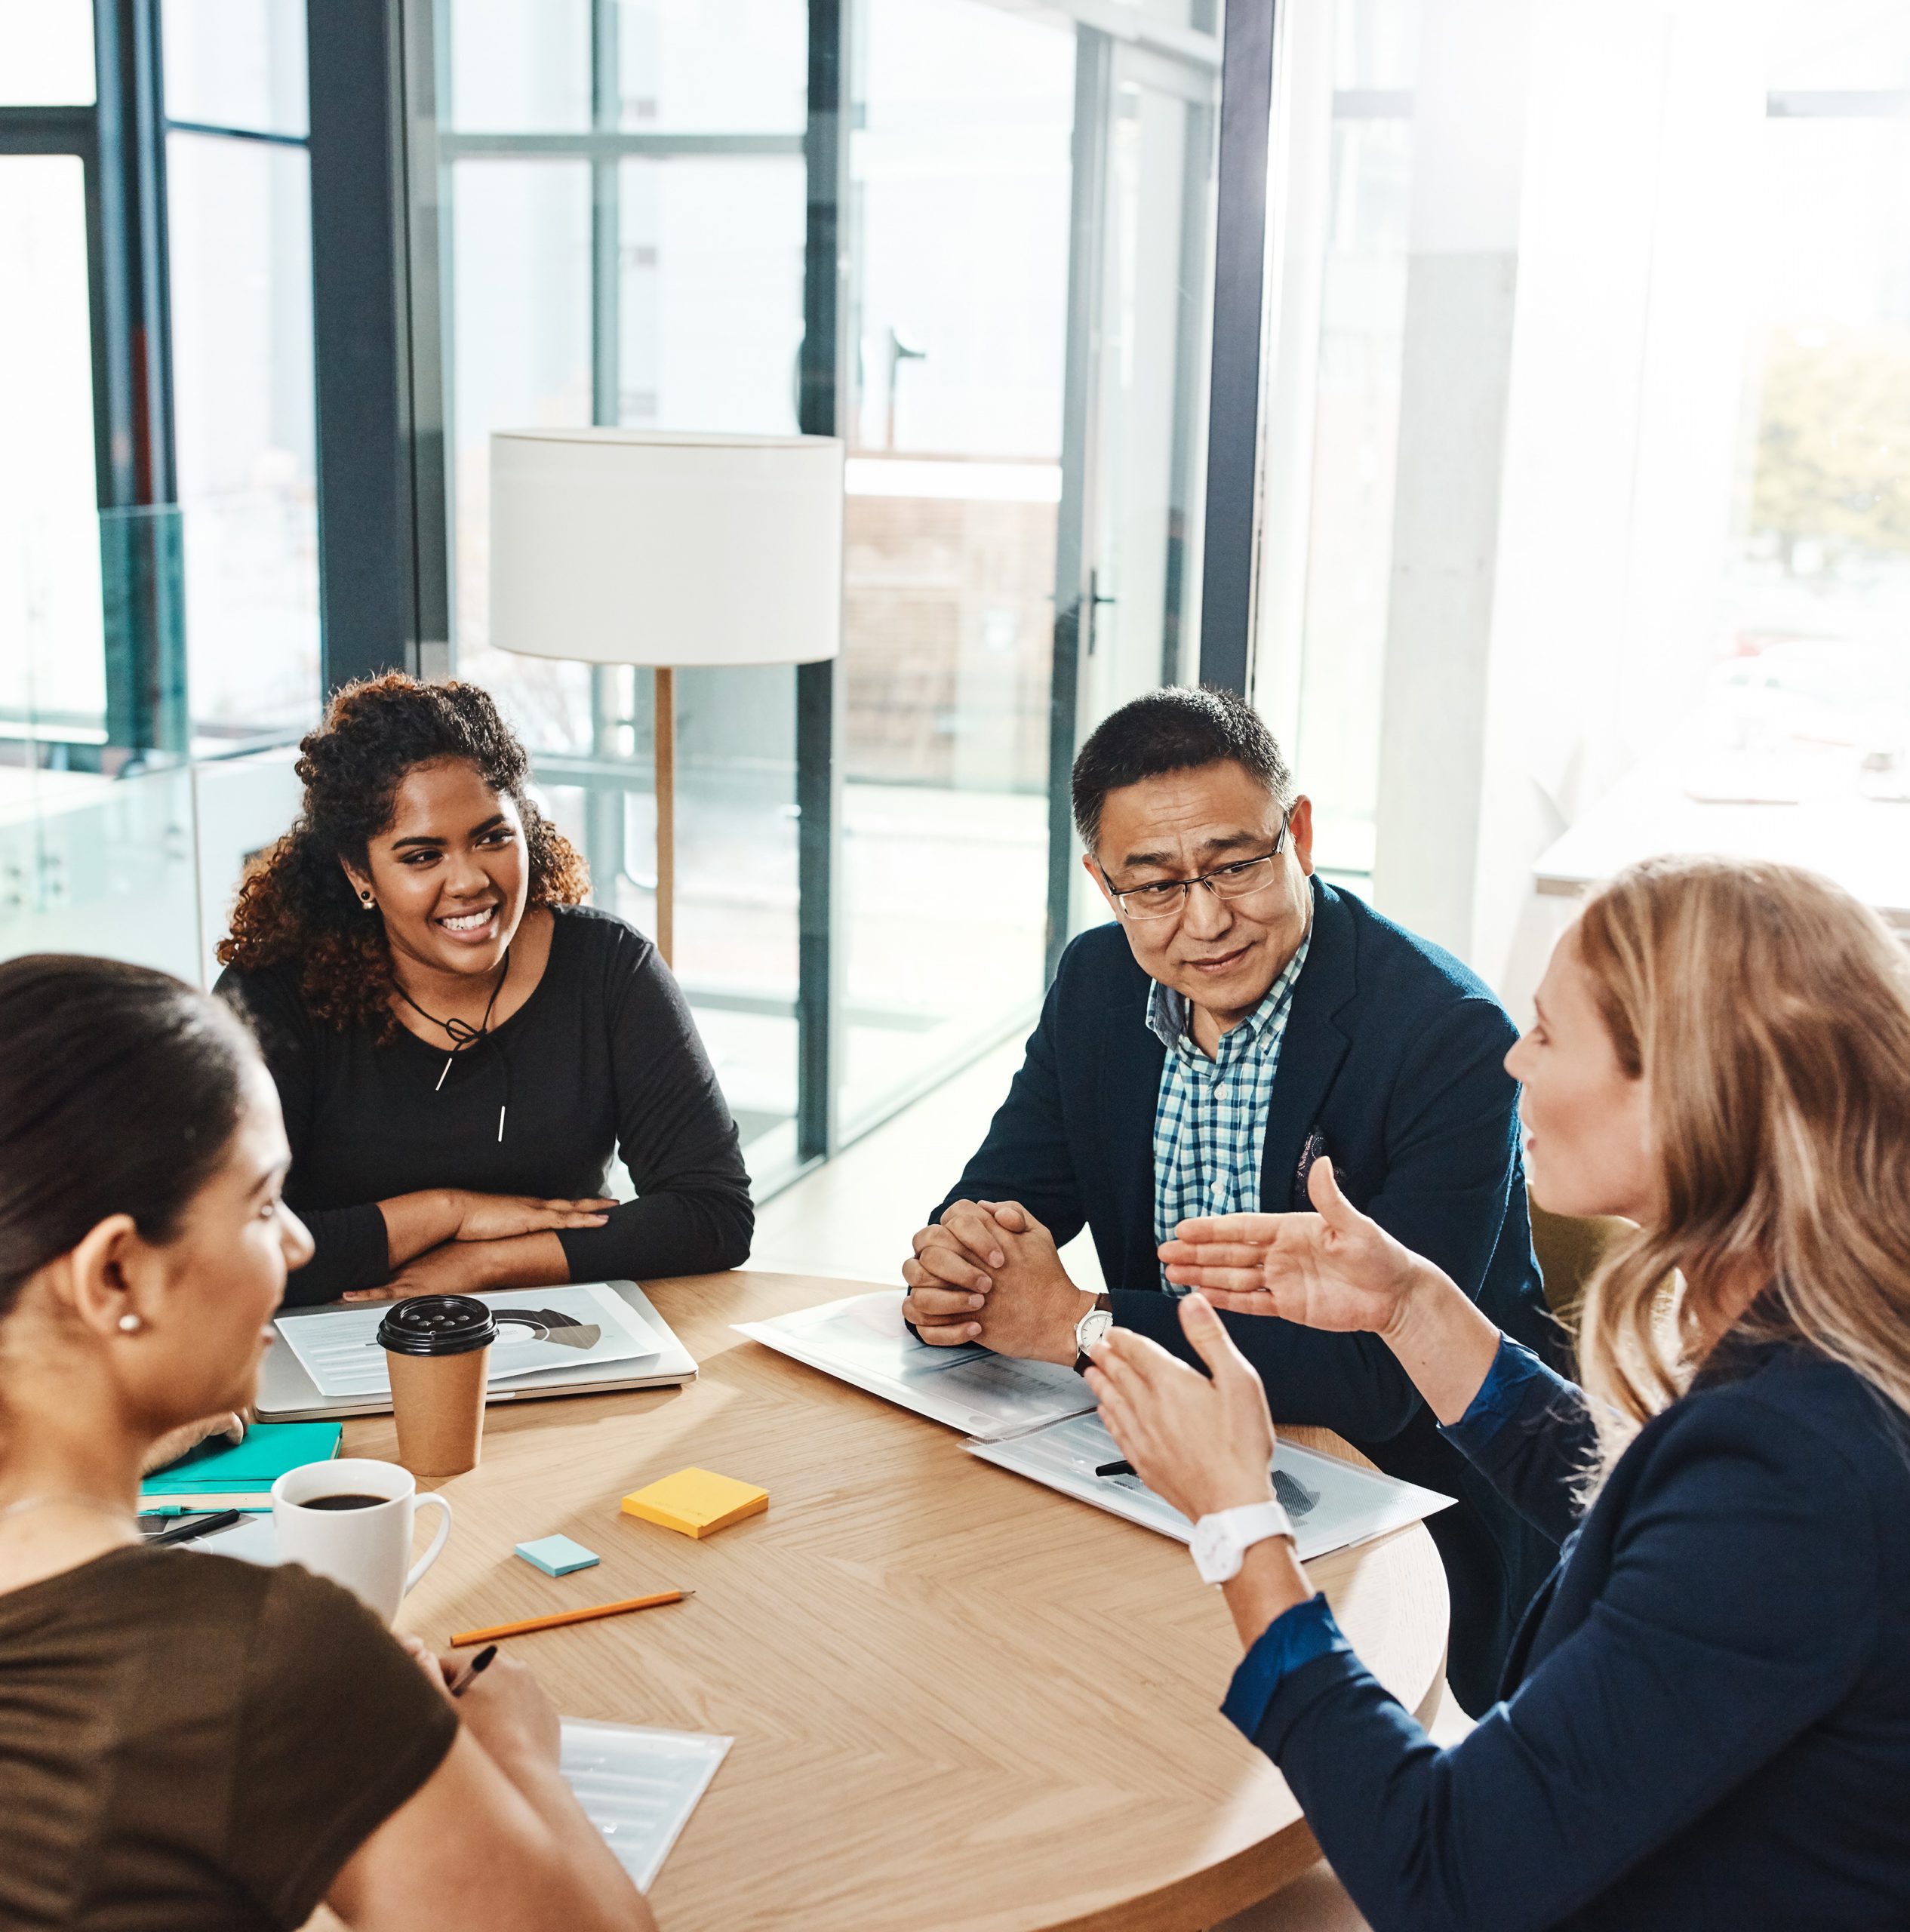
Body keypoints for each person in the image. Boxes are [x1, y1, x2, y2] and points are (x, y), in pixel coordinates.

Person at [1088, 856, 1910, 1929]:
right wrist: (1411, 1308)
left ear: (1684, 1090)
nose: (1513, 1058)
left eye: (1548, 1032)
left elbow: (1447, 1879)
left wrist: (1238, 1524)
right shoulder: (1815, 1343)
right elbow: (1641, 1517)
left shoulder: (1790, 1470)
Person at [902, 686, 1559, 1711]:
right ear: (1100, 880)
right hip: (1160, 1475)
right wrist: (962, 1261)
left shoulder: (1445, 1035)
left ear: (1295, 833)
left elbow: (1380, 1377)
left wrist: (1080, 1326)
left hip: (1401, 1501)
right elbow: (1005, 1197)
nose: (1203, 921)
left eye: (1234, 866)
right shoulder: (1096, 984)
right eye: (1152, 886)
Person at [0, 954, 655, 1931]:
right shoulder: (263, 1664)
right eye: (264, 1206)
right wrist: (511, 1749)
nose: (301, 1245)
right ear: (116, 1278)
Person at [215, 673, 752, 1307]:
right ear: (360, 873)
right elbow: (220, 1251)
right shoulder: (271, 997)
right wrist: (447, 1213)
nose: (470, 881)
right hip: (330, 1343)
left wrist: (488, 1265)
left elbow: (713, 1214)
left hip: (558, 1336)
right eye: (421, 856)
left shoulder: (607, 967)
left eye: (492, 838)